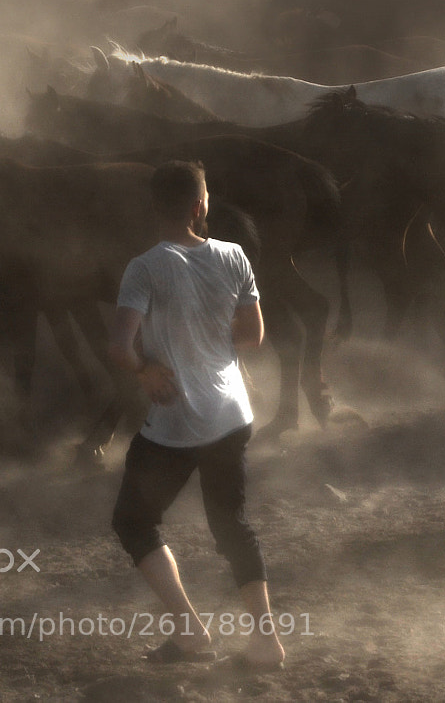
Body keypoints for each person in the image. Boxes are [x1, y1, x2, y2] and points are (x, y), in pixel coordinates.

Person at [108, 160, 284, 670]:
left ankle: (189, 633)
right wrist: (208, 339)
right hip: (232, 414)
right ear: (200, 206)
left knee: (133, 521)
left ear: (154, 207)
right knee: (231, 524)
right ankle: (267, 642)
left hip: (179, 420)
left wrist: (144, 370)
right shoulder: (233, 255)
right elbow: (252, 336)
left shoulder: (145, 267)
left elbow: (120, 346)